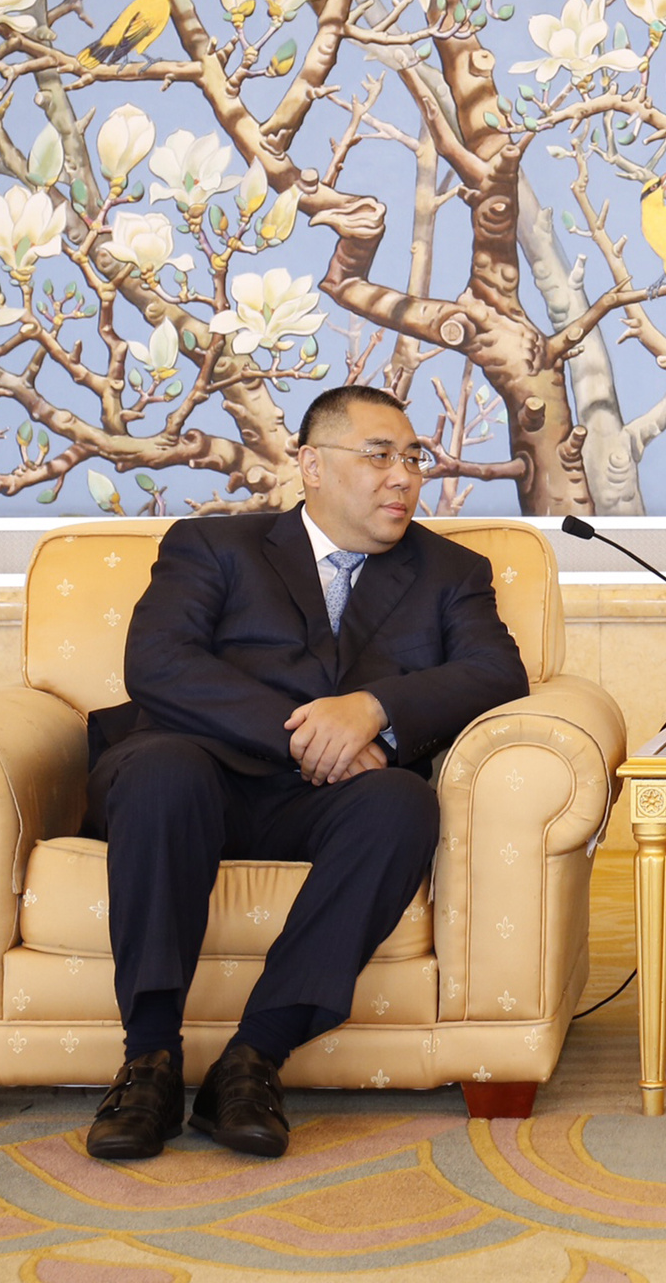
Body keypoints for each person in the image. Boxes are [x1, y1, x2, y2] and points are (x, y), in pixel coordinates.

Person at [81, 385, 529, 1160]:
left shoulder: (451, 571)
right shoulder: (215, 546)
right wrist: (304, 734)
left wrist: (371, 709)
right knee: (159, 772)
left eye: (414, 458)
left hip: (329, 801)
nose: (403, 476)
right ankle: (148, 1059)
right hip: (198, 775)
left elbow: (496, 673)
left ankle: (252, 1059)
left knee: (400, 803)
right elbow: (158, 663)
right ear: (312, 465)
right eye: (379, 455)